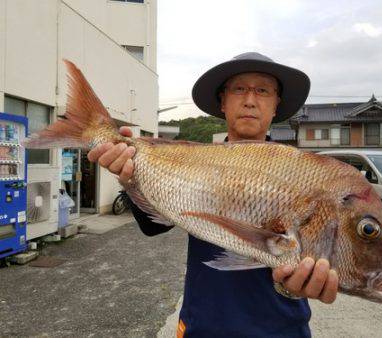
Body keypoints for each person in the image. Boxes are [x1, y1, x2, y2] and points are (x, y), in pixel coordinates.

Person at [87, 52, 338, 337]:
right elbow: (154, 226)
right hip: (203, 324)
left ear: (276, 104)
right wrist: (131, 179)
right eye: (239, 89)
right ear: (223, 101)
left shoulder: (304, 174)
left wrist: (296, 285)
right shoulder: (193, 161)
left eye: (263, 90)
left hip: (281, 328)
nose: (250, 100)